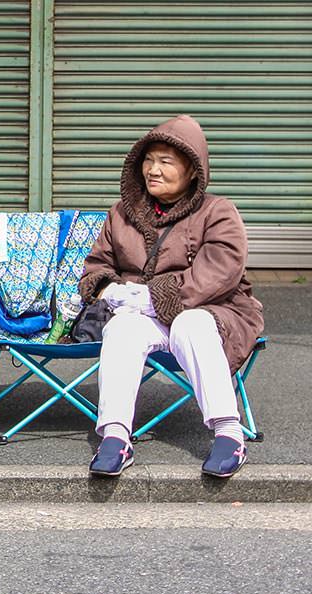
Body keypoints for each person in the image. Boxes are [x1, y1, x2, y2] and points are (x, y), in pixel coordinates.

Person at [79, 114, 263, 478]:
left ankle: (229, 433)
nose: (153, 169)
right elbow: (96, 267)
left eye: (166, 161)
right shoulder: (121, 215)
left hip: (216, 313)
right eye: (149, 159)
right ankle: (115, 436)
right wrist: (113, 290)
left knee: (189, 325)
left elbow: (220, 270)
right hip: (145, 318)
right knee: (122, 329)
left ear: (193, 170)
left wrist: (152, 296)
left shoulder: (218, 211)